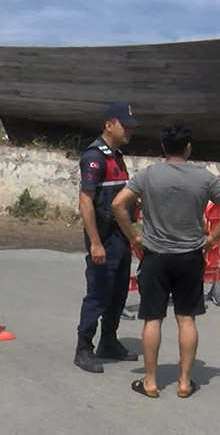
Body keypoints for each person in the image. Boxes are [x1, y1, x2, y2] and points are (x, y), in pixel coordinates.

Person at [111, 122, 220, 398]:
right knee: (186, 318)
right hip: (190, 256)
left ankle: (150, 382)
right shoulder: (204, 178)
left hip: (156, 255)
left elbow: (118, 204)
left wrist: (134, 237)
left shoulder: (148, 176)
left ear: (162, 147)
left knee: (152, 319)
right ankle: (184, 382)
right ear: (189, 147)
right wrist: (212, 238)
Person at [74, 101, 141, 373]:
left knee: (118, 292)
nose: (129, 131)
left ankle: (109, 341)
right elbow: (86, 202)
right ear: (109, 125)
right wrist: (95, 243)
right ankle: (84, 347)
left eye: (131, 126)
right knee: (99, 293)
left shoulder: (117, 156)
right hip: (103, 236)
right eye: (124, 125)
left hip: (120, 237)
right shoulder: (95, 157)